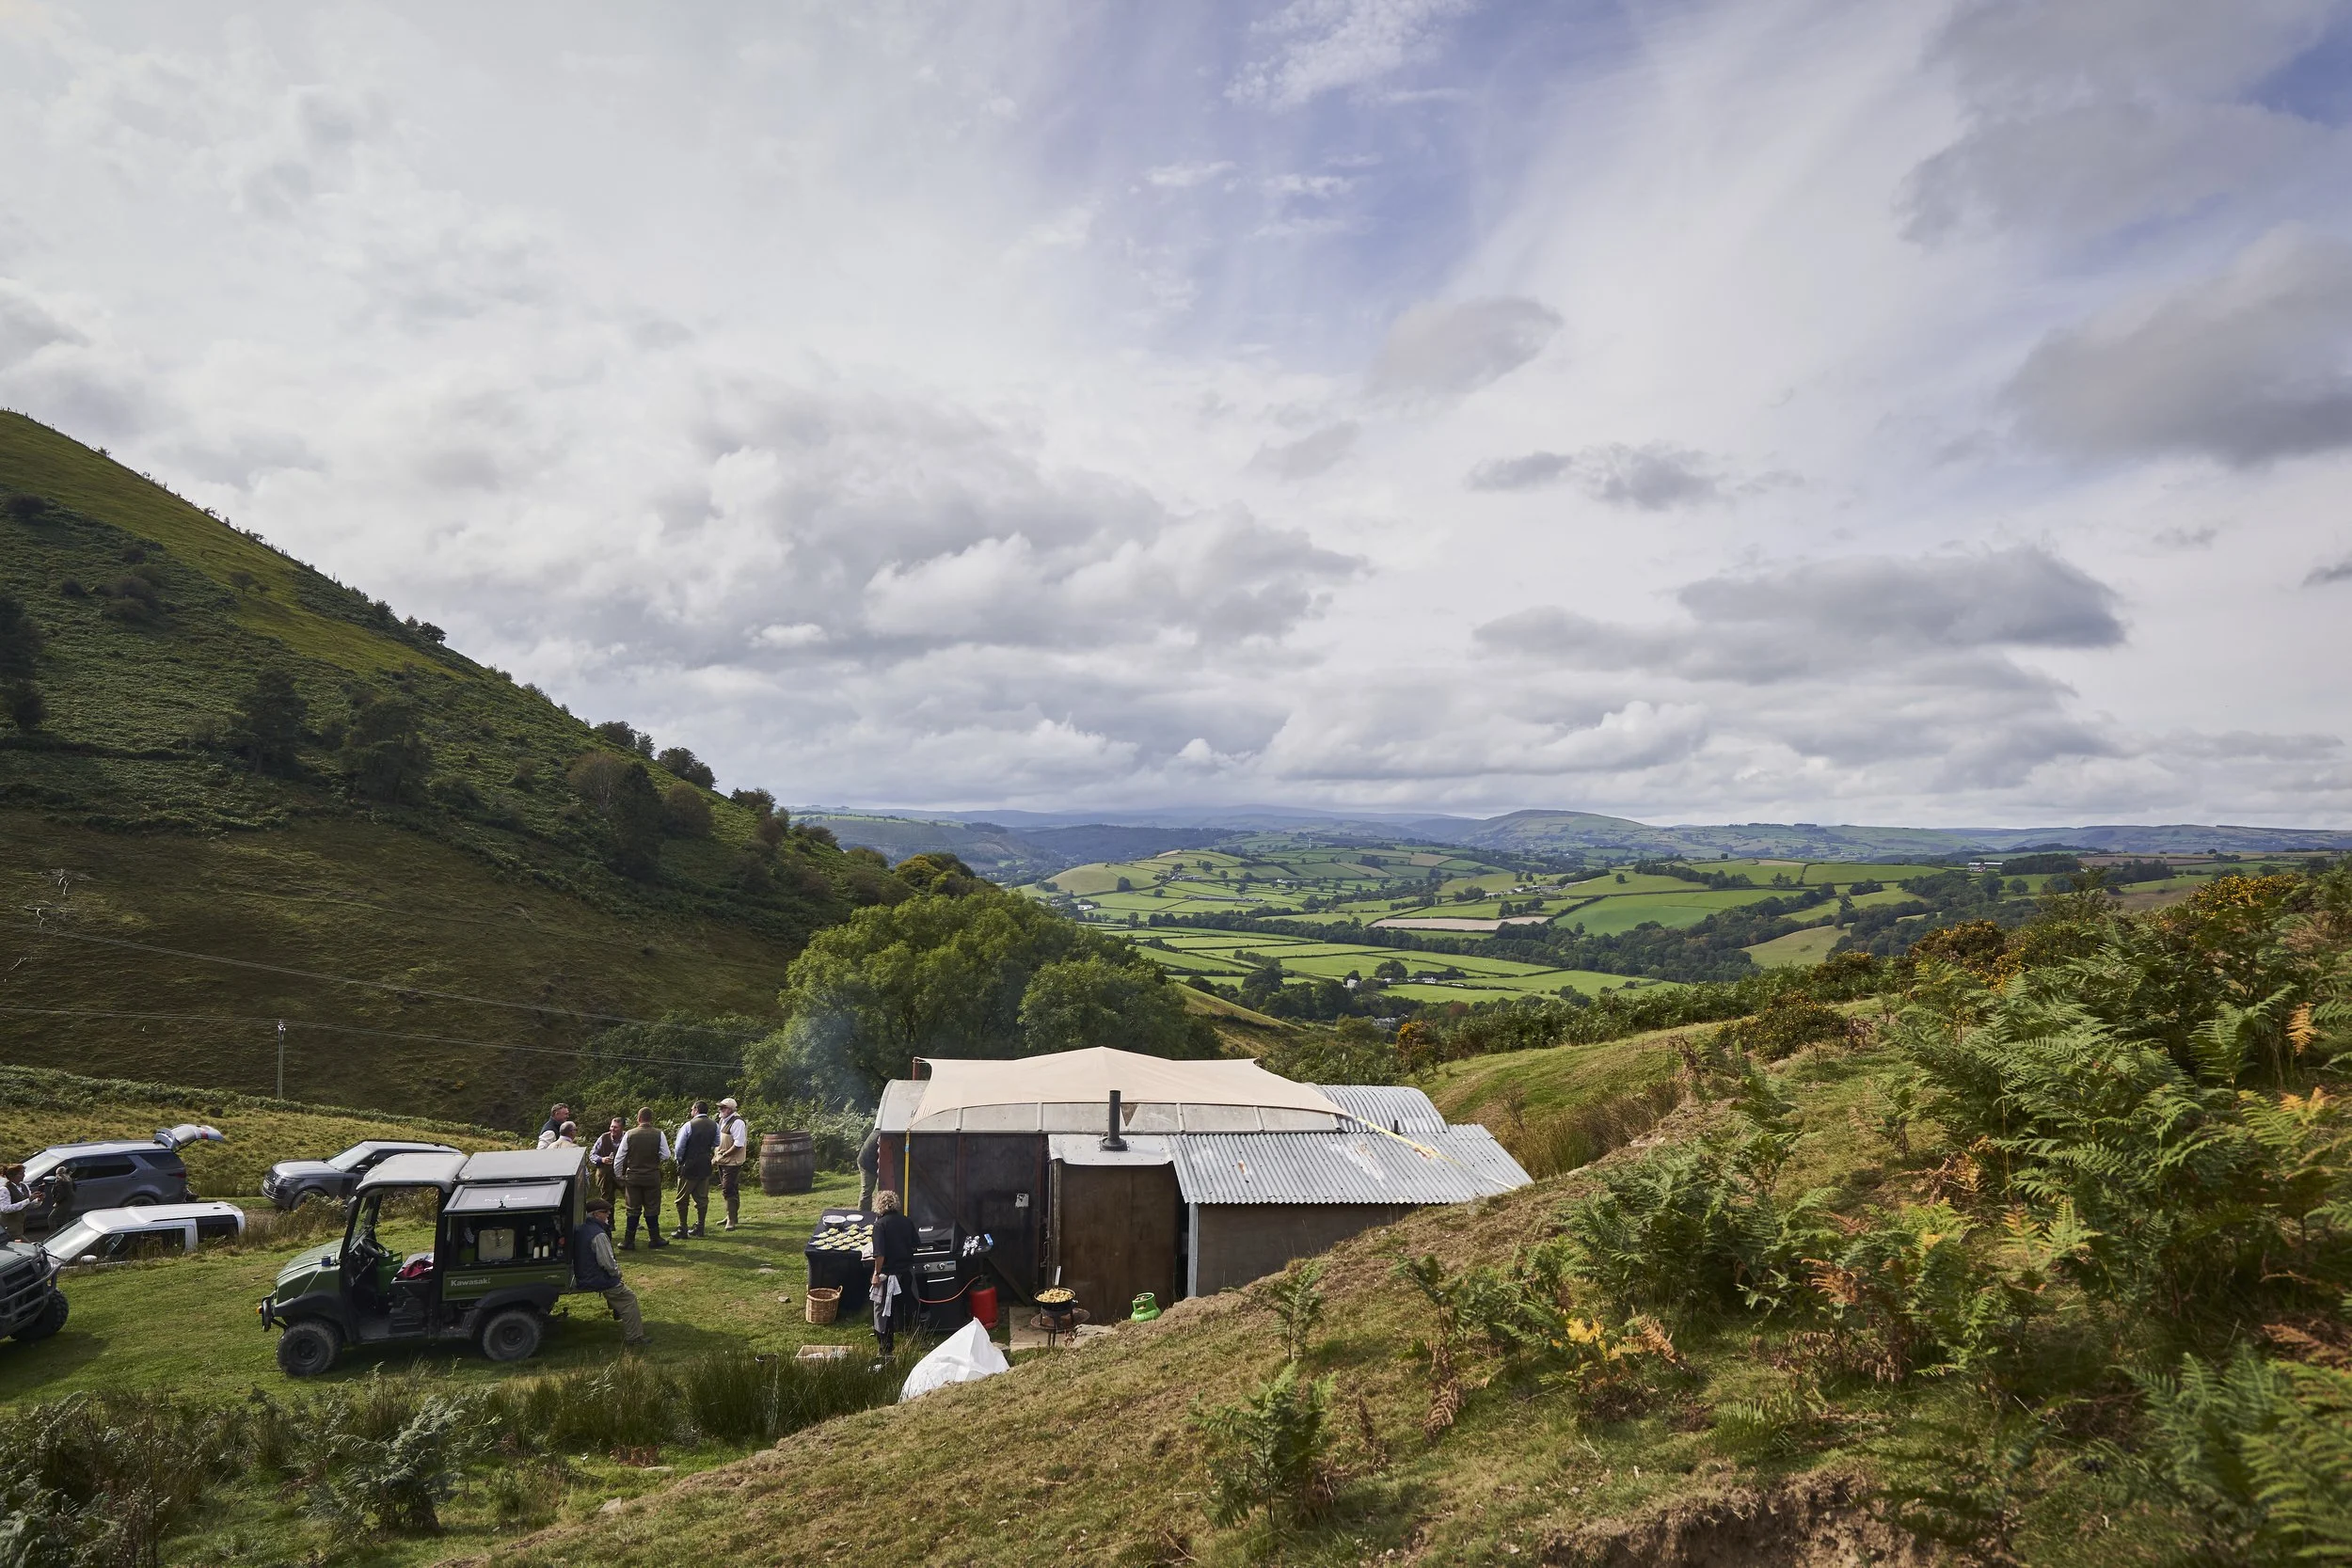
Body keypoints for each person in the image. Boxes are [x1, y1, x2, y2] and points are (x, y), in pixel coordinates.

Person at [572, 1196, 646, 1348]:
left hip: (584, 1273)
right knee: (628, 1298)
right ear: (595, 1214)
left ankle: (617, 1311)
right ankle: (635, 1339)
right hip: (595, 1278)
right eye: (605, 1212)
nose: (608, 1215)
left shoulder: (583, 1228)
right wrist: (618, 1274)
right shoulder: (598, 1235)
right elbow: (607, 1264)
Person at [868, 1188, 917, 1360]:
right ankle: (916, 1340)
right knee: (909, 1308)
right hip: (906, 1274)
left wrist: (876, 1273)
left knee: (883, 1313)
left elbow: (880, 1254)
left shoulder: (880, 1225)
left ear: (878, 1205)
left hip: (888, 1276)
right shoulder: (906, 1221)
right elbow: (915, 1244)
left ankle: (885, 1348)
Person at [617, 1107, 670, 1250]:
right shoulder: (659, 1134)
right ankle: (655, 1239)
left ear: (638, 1119)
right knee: (652, 1207)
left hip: (633, 1176)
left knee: (632, 1209)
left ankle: (629, 1241)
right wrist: (654, 1159)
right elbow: (666, 1155)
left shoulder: (629, 1134)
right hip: (652, 1176)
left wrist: (619, 1175)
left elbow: (619, 1157)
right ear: (650, 1119)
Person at [672, 1101, 717, 1239]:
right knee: (702, 1198)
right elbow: (717, 1143)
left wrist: (680, 1160)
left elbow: (679, 1147)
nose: (691, 1111)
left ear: (696, 1110)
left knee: (682, 1199)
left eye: (692, 1109)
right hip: (705, 1164)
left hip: (689, 1165)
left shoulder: (688, 1125)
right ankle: (700, 1227)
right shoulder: (714, 1125)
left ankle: (682, 1229)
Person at [712, 1097, 751, 1230]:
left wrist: (724, 1154)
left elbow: (739, 1144)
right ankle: (731, 1216)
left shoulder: (738, 1122)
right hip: (723, 1160)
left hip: (732, 1161)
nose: (720, 1110)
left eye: (722, 1107)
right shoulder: (723, 1120)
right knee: (730, 1188)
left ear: (729, 1109)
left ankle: (731, 1220)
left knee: (728, 1188)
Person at [588, 1117, 625, 1205]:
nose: (612, 1129)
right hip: (605, 1175)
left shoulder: (628, 1138)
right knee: (606, 1201)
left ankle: (631, 1218)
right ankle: (608, 1219)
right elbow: (592, 1155)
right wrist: (601, 1159)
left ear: (622, 1128)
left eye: (616, 1127)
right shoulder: (603, 1137)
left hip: (623, 1174)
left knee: (630, 1197)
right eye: (612, 1126)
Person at [0, 1165, 28, 1243]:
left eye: (24, 1173)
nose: (24, 1175)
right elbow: (5, 1209)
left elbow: (30, 1204)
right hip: (10, 1228)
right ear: (13, 1176)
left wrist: (38, 1200)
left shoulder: (24, 1186)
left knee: (21, 1249)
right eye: (21, 1174)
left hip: (20, 1226)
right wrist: (28, 1200)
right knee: (28, 1248)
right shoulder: (4, 1189)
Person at [856, 1127, 880, 1212]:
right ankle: (863, 1214)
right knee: (867, 1191)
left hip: (871, 1160)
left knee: (881, 1189)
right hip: (867, 1163)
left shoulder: (880, 1130)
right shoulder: (883, 1134)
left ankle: (880, 1212)